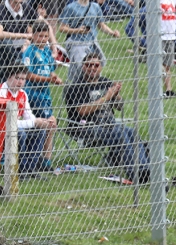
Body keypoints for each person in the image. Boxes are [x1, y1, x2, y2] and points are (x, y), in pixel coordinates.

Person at [64, 52, 149, 185]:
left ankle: (145, 170)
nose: (92, 68)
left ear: (100, 67)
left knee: (132, 132)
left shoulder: (105, 82)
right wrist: (106, 98)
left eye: (96, 65)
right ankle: (135, 174)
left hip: (109, 125)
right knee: (120, 134)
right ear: (83, 67)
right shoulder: (76, 87)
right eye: (88, 65)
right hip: (85, 127)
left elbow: (119, 107)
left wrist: (117, 95)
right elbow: (82, 111)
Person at [0, 66, 56, 175]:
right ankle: (20, 170)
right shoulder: (0, 94)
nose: (20, 82)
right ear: (8, 77)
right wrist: (34, 122)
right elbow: (7, 123)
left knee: (40, 131)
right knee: (21, 133)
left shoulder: (22, 94)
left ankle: (31, 169)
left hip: (15, 127)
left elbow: (29, 116)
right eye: (17, 78)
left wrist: (41, 121)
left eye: (23, 79)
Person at [21, 22, 61, 167]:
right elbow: (28, 75)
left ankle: (43, 159)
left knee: (50, 124)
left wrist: (54, 77)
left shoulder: (47, 52)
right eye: (40, 36)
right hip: (33, 94)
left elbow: (50, 70)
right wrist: (48, 79)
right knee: (48, 123)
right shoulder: (30, 52)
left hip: (45, 94)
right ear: (33, 36)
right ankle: (41, 160)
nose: (43, 39)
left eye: (46, 36)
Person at [59, 0, 122, 68]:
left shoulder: (95, 7)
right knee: (81, 67)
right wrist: (77, 30)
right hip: (77, 42)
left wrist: (112, 33)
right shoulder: (70, 8)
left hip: (92, 42)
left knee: (99, 64)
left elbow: (101, 25)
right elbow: (62, 28)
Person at [160, 0, 176, 97]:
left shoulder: (171, 0)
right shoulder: (156, 2)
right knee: (160, 65)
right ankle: (159, 89)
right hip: (161, 37)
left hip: (170, 37)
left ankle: (168, 89)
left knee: (167, 65)